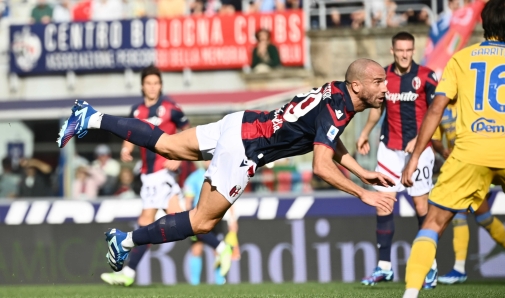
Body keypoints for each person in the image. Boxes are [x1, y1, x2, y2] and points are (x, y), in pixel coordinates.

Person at [57, 58, 397, 273]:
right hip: (247, 146)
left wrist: (360, 170)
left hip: (241, 122)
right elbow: (321, 166)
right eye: (379, 82)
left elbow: (326, 138)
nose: (385, 87)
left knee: (169, 145)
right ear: (357, 86)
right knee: (202, 221)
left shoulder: (336, 94)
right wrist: (361, 192)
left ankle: (92, 116)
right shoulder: (339, 108)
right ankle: (125, 241)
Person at [401, 1, 505, 297]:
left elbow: (436, 108)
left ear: (483, 25)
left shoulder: (461, 58)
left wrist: (415, 156)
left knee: (433, 222)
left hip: (470, 152)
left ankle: (410, 294)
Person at [100, 66, 218, 286]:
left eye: (156, 83)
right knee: (182, 220)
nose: (152, 87)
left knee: (145, 221)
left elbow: (188, 133)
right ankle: (221, 247)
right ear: (142, 86)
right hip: (148, 175)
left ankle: (129, 273)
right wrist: (126, 148)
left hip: (163, 173)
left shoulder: (171, 108)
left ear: (160, 85)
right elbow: (130, 132)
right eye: (148, 83)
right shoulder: (136, 111)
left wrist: (179, 157)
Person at [356, 32, 438, 288]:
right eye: (400, 50)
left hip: (419, 151)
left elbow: (436, 112)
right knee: (383, 203)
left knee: (422, 207)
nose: (404, 55)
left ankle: (430, 268)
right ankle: (384, 267)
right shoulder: (383, 77)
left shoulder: (426, 76)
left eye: (408, 50)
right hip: (389, 149)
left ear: (413, 50)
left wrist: (421, 140)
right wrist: (365, 133)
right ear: (392, 51)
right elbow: (377, 110)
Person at [431, 101, 505, 284]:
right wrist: (443, 150)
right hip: (462, 166)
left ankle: (459, 269)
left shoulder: (473, 97)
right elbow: (435, 137)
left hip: (481, 162)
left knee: (459, 211)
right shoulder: (440, 107)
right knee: (484, 217)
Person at [185, 160, 238, 285]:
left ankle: (219, 281)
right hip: (197, 219)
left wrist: (233, 219)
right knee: (197, 249)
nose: (207, 161)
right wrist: (188, 222)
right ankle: (195, 283)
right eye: (205, 159)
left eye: (210, 158)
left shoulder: (222, 176)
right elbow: (188, 201)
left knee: (217, 250)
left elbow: (229, 199)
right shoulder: (193, 178)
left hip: (215, 218)